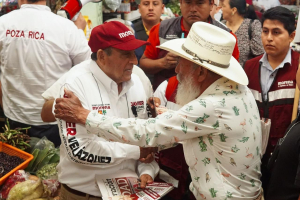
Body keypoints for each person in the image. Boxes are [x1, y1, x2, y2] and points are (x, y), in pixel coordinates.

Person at [54, 22, 263, 200]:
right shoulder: (238, 91)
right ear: (101, 56)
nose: (176, 70)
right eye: (125, 54)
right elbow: (180, 126)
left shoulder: (211, 104)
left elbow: (149, 132)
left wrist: (84, 115)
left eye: (182, 63)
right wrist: (161, 117)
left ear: (201, 71)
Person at [46, 21, 159, 199]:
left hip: (130, 191)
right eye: (125, 54)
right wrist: (136, 151)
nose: (134, 60)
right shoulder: (74, 84)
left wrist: (147, 170)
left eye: (134, 52)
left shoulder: (138, 80)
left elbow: (146, 139)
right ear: (101, 56)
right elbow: (79, 151)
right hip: (84, 194)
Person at [0, 0, 91, 147]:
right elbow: (87, 68)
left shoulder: (3, 23)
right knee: (53, 167)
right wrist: (80, 30)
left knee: (17, 167)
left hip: (15, 116)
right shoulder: (66, 28)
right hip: (54, 119)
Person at [243, 6, 298, 195]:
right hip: (254, 158)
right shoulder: (248, 68)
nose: (269, 38)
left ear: (292, 35)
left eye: (276, 32)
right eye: (265, 32)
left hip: (289, 161)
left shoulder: (299, 68)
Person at [139, 0, 240, 90]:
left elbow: (233, 75)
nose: (193, 9)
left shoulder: (226, 37)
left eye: (200, 3)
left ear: (211, 5)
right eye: (188, 2)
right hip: (166, 98)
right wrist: (163, 63)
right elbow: (144, 63)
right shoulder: (161, 29)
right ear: (181, 4)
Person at [221, 0, 264, 67]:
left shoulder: (252, 25)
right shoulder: (221, 25)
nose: (221, 9)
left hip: (243, 74)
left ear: (233, 10)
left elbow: (260, 55)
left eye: (224, 6)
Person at [133, 0, 164, 64]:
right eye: (146, 4)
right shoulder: (131, 32)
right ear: (139, 8)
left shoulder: (171, 30)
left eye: (155, 4)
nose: (150, 8)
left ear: (162, 8)